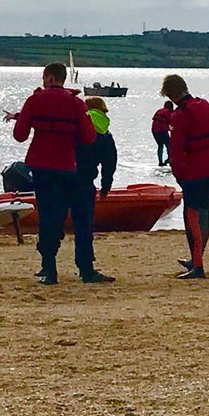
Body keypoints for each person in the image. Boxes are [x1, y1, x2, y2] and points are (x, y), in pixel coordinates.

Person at [11, 62, 109, 285]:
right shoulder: (76, 103)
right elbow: (88, 137)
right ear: (63, 78)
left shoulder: (34, 100)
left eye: (44, 78)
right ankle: (86, 269)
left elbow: (20, 135)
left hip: (40, 166)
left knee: (47, 217)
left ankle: (49, 269)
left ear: (49, 77)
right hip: (66, 166)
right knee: (81, 217)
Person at [162, 74, 209, 280]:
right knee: (204, 212)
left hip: (194, 170)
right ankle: (197, 258)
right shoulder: (206, 106)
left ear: (171, 94)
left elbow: (176, 149)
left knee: (192, 217)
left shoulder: (179, 116)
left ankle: (198, 266)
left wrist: (178, 173)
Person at [74, 96, 118, 283]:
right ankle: (86, 268)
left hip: (64, 178)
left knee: (53, 223)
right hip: (85, 182)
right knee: (84, 226)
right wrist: (106, 187)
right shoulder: (105, 134)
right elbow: (109, 164)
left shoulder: (77, 127)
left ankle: (48, 268)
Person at [151, 100, 174, 166]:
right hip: (162, 130)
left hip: (154, 130)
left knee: (160, 145)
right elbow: (172, 123)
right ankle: (170, 160)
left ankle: (160, 162)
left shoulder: (159, 111)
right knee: (169, 145)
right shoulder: (169, 113)